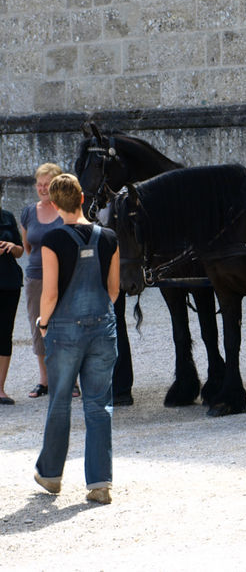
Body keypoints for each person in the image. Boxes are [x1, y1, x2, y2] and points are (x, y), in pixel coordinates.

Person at [33, 174, 119, 505]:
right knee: (99, 405)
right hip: (101, 326)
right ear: (83, 199)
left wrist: (43, 324)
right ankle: (99, 483)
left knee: (59, 402)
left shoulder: (53, 239)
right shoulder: (109, 237)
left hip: (65, 330)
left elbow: (50, 293)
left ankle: (52, 475)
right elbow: (113, 290)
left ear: (54, 205)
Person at [21, 163, 67, 399]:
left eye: (46, 184)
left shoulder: (66, 210)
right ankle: (44, 380)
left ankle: (71, 380)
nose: (42, 188)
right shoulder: (29, 212)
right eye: (39, 184)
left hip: (64, 277)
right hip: (36, 277)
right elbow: (28, 247)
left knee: (66, 326)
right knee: (39, 328)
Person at [0, 202, 24, 404]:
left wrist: (12, 247)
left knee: (5, 334)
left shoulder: (7, 216)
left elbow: (21, 250)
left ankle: (0, 389)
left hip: (9, 283)